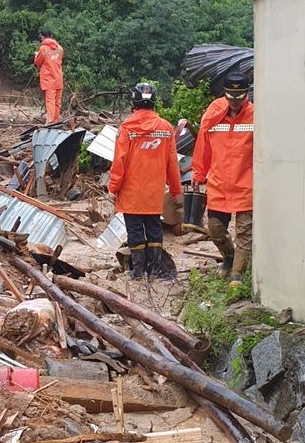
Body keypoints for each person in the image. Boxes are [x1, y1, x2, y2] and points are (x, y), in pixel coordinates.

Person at [108, 82, 182, 279]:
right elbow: (172, 164)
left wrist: (113, 187)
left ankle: (138, 271)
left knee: (135, 231)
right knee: (154, 229)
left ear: (134, 102)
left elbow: (119, 162)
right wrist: (175, 190)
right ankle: (154, 269)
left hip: (131, 192)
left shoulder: (127, 128)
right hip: (154, 192)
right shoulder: (166, 128)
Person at [191, 74, 254, 287]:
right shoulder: (213, 115)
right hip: (219, 184)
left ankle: (237, 274)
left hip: (246, 184)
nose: (235, 102)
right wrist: (198, 174)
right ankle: (229, 256)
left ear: (247, 94)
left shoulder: (256, 116)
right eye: (231, 97)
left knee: (244, 232)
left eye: (239, 97)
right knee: (215, 229)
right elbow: (203, 147)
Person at [34, 29, 64, 124]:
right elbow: (58, 58)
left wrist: (36, 55)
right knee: (57, 102)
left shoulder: (43, 49)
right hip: (58, 78)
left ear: (42, 36)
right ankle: (56, 120)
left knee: (50, 101)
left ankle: (50, 122)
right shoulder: (60, 48)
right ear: (51, 36)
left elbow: (38, 62)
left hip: (49, 79)